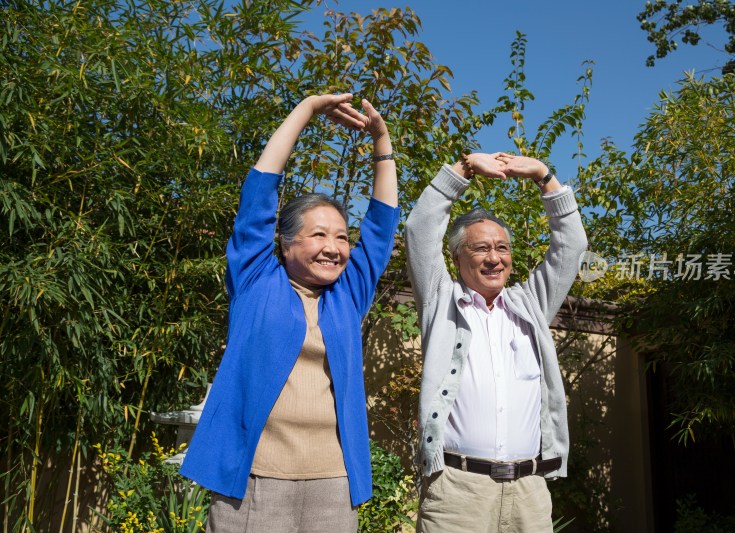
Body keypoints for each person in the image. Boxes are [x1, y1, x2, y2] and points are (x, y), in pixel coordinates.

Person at [180, 93, 400, 532]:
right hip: (255, 479)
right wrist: (306, 110)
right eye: (319, 234)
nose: (334, 247)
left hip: (334, 483)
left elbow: (381, 226)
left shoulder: (347, 294)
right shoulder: (257, 280)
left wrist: (381, 141)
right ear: (285, 243)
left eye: (341, 237)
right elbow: (260, 190)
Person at [405, 152, 587, 533]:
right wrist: (465, 169)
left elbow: (571, 246)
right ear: (457, 257)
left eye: (502, 248)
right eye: (481, 248)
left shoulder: (531, 304)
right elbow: (421, 230)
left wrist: (544, 176)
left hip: (530, 491)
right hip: (456, 493)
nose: (494, 258)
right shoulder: (442, 301)